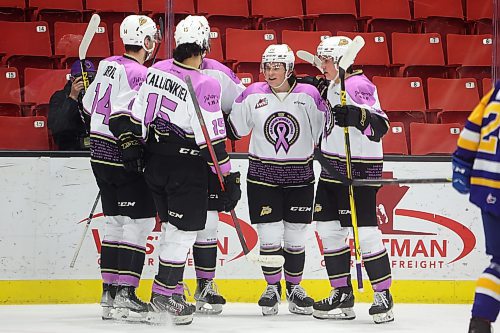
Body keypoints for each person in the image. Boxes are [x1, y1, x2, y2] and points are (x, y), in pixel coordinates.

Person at [128, 16, 241, 325]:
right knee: (184, 231)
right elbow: (212, 140)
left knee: (170, 228)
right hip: (184, 166)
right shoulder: (205, 82)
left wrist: (138, 150)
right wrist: (227, 178)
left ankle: (171, 291)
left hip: (155, 163)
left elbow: (136, 117)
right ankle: (164, 294)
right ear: (204, 46)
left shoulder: (157, 70)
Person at [226, 44, 326, 316]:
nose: (270, 72)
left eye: (276, 67)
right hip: (262, 176)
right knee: (269, 236)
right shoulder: (252, 94)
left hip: (300, 176)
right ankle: (272, 288)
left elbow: (321, 133)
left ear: (289, 69)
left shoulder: (308, 95)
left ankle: (294, 288)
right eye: (267, 67)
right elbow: (235, 129)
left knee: (295, 236)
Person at [308, 36, 393, 324]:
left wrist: (358, 116)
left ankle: (383, 294)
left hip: (358, 173)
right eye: (322, 60)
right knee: (329, 230)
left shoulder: (358, 85)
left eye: (327, 60)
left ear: (343, 60)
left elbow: (381, 126)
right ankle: (341, 293)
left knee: (366, 233)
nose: (323, 66)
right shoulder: (334, 84)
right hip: (332, 171)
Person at [81, 14, 159, 321]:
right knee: (138, 224)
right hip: (121, 152)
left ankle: (109, 295)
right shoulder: (141, 73)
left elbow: (88, 106)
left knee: (114, 222)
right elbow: (135, 116)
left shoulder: (106, 64)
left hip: (98, 154)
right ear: (148, 42)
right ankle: (127, 293)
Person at [171, 15, 246, 316]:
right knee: (178, 225)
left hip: (210, 157)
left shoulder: (219, 73)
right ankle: (172, 287)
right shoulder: (166, 71)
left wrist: (225, 129)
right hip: (176, 157)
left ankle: (205, 285)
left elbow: (241, 107)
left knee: (210, 221)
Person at [452, 85, 500, 333]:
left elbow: (470, 133)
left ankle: (479, 323)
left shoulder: (495, 94)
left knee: (499, 264)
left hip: (488, 188)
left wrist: (461, 165)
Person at [48, 60, 96, 150]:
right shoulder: (59, 97)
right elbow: (57, 127)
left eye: (91, 78)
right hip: (71, 148)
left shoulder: (98, 96)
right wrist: (72, 98)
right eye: (83, 79)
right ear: (72, 79)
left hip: (96, 147)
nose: (87, 82)